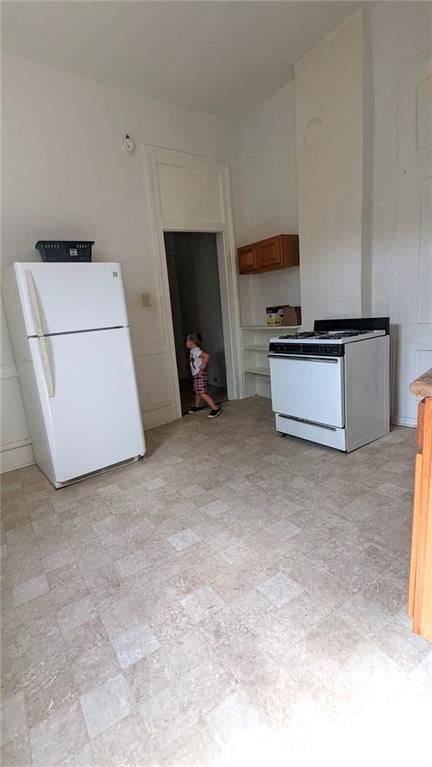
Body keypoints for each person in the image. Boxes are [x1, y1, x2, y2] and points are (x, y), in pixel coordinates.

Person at [186, 332, 222, 418]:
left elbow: (206, 356)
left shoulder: (196, 350)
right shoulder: (193, 350)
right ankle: (197, 406)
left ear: (191, 342)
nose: (186, 343)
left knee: (201, 392)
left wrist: (203, 365)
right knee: (198, 391)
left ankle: (215, 408)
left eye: (186, 341)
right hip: (197, 374)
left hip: (199, 374)